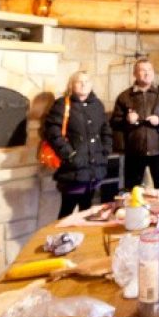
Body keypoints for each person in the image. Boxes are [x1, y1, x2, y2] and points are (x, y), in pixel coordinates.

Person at [44, 71, 113, 219]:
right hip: (73, 169)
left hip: (94, 169)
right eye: (79, 81)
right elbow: (53, 132)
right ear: (71, 85)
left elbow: (105, 130)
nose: (83, 84)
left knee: (87, 210)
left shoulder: (97, 105)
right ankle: (63, 234)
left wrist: (105, 150)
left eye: (87, 81)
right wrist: (70, 154)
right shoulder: (62, 104)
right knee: (67, 210)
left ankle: (81, 233)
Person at [111, 58, 159, 190]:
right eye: (143, 70)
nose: (147, 73)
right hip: (134, 152)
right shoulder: (124, 96)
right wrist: (127, 119)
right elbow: (114, 122)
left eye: (149, 70)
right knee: (132, 191)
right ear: (134, 74)